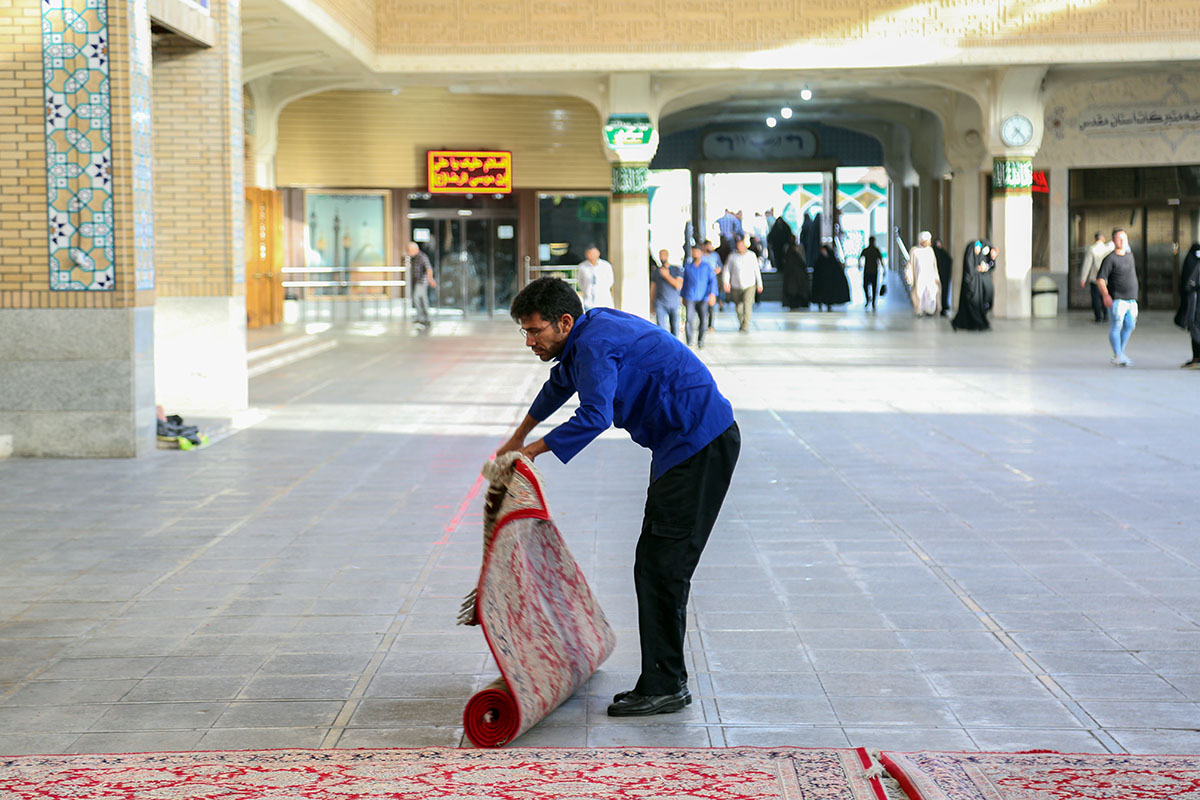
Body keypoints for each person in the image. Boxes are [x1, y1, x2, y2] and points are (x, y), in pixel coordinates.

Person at [500, 277, 740, 717]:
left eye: (535, 331)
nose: (529, 341)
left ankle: (666, 685)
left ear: (564, 322)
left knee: (662, 567)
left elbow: (595, 415)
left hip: (699, 444)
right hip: (681, 445)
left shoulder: (593, 343)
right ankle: (665, 680)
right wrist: (517, 438)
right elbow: (559, 386)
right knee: (655, 564)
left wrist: (532, 452)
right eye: (525, 332)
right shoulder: (587, 335)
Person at [1096, 228, 1138, 367]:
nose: (1122, 241)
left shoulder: (1129, 255)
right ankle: (1118, 354)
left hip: (1132, 299)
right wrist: (1106, 295)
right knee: (1116, 326)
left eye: (1124, 239)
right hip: (1117, 299)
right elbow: (1101, 279)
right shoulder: (1110, 259)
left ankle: (1119, 352)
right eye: (1119, 239)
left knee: (1130, 325)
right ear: (1113, 241)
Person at [950, 239, 993, 331]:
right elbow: (970, 271)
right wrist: (977, 270)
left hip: (976, 286)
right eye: (977, 248)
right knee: (972, 306)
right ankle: (979, 323)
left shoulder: (978, 259)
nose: (978, 251)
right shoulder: (970, 257)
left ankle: (973, 324)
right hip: (970, 287)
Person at [722, 237, 764, 332]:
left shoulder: (751, 255)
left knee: (747, 305)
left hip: (749, 284)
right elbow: (727, 270)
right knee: (738, 307)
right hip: (736, 285)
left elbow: (756, 270)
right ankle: (741, 321)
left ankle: (746, 324)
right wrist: (726, 282)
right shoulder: (732, 256)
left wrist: (759, 283)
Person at [681, 245, 717, 348]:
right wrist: (682, 296)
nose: (695, 254)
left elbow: (712, 281)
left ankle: (700, 340)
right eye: (693, 252)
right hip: (690, 296)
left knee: (703, 320)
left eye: (697, 252)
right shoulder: (688, 267)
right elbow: (685, 283)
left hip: (703, 297)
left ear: (701, 253)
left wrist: (712, 294)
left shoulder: (707, 267)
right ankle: (689, 341)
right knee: (689, 319)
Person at [1078, 232, 1113, 323]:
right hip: (1106, 278)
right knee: (1105, 295)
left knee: (1096, 298)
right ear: (1103, 239)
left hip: (1095, 278)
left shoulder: (1092, 249)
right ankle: (1106, 315)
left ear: (1095, 239)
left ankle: (1098, 317)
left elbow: (1087, 265)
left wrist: (1083, 278)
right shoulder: (1108, 249)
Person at [905, 231, 941, 317]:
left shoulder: (930, 251)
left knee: (931, 294)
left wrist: (936, 276)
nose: (930, 242)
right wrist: (908, 275)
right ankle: (919, 311)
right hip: (919, 277)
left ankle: (930, 310)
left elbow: (934, 265)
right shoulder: (914, 251)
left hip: (930, 277)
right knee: (919, 294)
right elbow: (910, 264)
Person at [651, 248, 684, 336]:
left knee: (675, 329)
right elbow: (653, 288)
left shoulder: (676, 269)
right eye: (660, 255)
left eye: (664, 255)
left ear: (668, 256)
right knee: (661, 330)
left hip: (674, 303)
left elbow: (678, 285)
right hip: (660, 303)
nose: (662, 257)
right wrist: (651, 304)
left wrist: (667, 276)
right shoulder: (656, 271)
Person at [1178, 243, 1200, 368]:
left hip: (1195, 302)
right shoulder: (1195, 263)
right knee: (1194, 328)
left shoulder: (1194, 261)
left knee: (1195, 328)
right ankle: (1196, 358)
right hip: (1194, 302)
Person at [810, 244, 851, 311]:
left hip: (828, 283)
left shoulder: (831, 261)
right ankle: (821, 303)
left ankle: (828, 304)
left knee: (827, 295)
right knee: (821, 294)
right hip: (821, 282)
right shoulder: (820, 260)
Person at [406, 241, 436, 326]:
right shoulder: (415, 258)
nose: (408, 252)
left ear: (415, 249)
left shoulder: (422, 257)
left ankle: (422, 317)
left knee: (416, 298)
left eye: (409, 250)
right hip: (417, 282)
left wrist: (431, 280)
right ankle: (425, 318)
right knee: (423, 300)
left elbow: (429, 269)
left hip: (422, 282)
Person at [577, 246, 614, 310]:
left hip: (604, 300)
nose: (592, 256)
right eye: (590, 253)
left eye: (593, 253)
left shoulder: (606, 266)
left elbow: (610, 281)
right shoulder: (582, 266)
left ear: (598, 254)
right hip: (588, 302)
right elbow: (580, 282)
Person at [780, 241, 810, 309]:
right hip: (795, 281)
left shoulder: (789, 257)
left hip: (792, 281)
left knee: (793, 293)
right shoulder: (795, 257)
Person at [859, 236, 885, 311]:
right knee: (873, 287)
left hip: (868, 271)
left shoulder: (868, 250)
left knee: (866, 286)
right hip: (873, 271)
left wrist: (859, 265)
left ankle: (869, 300)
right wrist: (884, 270)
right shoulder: (875, 250)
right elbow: (881, 260)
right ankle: (872, 301)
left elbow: (860, 258)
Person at [933, 238, 953, 315]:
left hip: (944, 277)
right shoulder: (933, 253)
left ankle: (943, 306)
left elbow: (949, 260)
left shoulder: (943, 253)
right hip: (936, 277)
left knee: (944, 291)